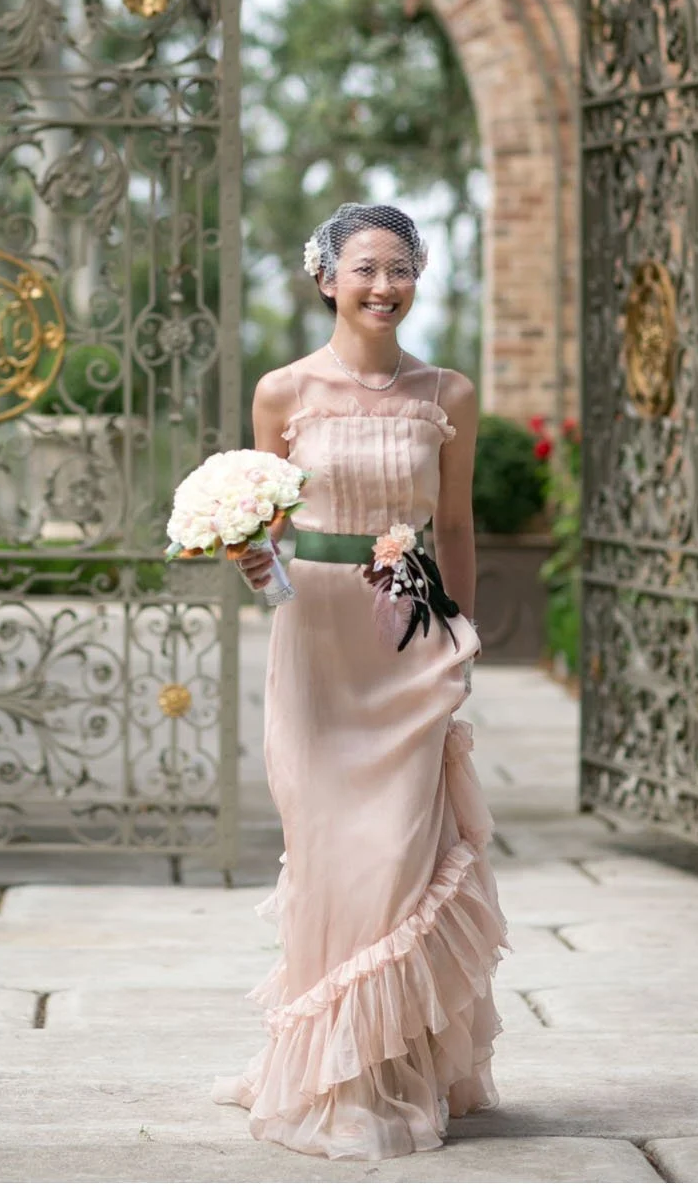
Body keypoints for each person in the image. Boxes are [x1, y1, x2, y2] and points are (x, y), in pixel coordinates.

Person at [210, 201, 510, 1160]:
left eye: (401, 267)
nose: (385, 285)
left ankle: (396, 1070)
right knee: (333, 855)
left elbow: (454, 525)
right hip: (316, 640)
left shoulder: (449, 394)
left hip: (408, 623)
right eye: (365, 267)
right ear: (326, 278)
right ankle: (328, 1071)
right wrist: (255, 564)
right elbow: (265, 530)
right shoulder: (281, 391)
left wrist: (458, 631)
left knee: (398, 853)